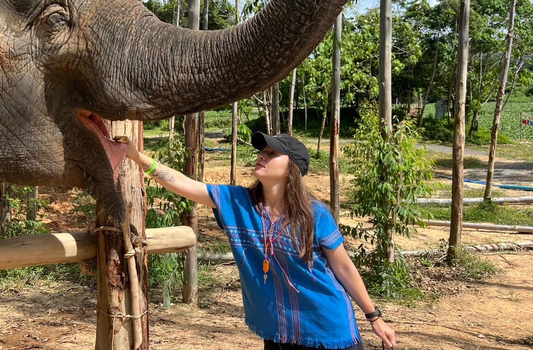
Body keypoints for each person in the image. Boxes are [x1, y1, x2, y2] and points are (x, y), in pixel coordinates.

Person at [120, 131, 397, 350]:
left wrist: (375, 317)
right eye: (262, 151)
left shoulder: (315, 215)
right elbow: (184, 184)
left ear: (292, 170)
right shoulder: (238, 203)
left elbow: (344, 268)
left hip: (327, 329)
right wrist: (137, 156)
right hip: (277, 333)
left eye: (272, 153)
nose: (262, 156)